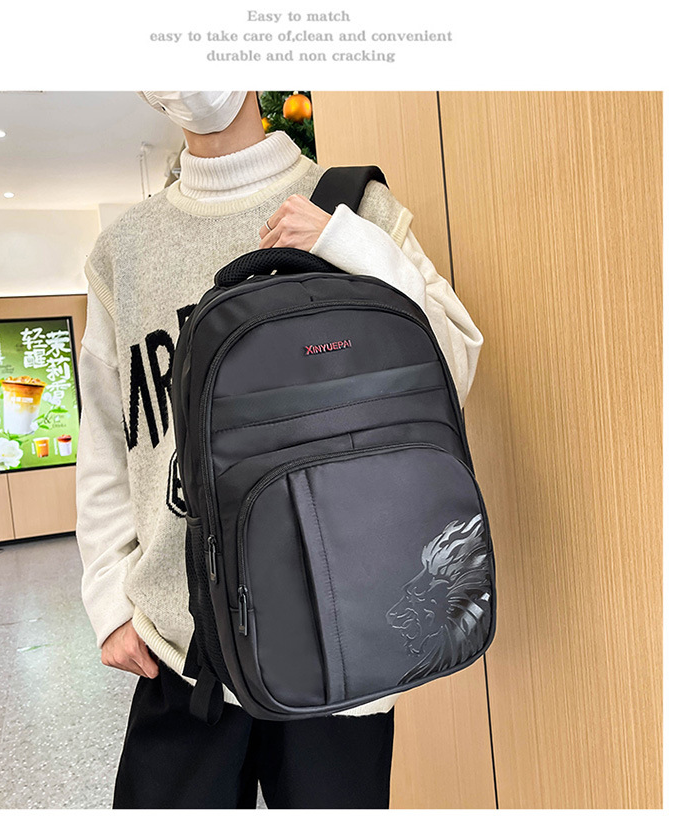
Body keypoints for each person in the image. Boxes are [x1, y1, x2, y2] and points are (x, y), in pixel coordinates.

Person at [76, 90, 484, 809]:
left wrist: (350, 245)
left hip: (343, 627)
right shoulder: (123, 250)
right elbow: (108, 434)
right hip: (180, 645)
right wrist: (108, 596)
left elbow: (454, 366)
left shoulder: (353, 205)